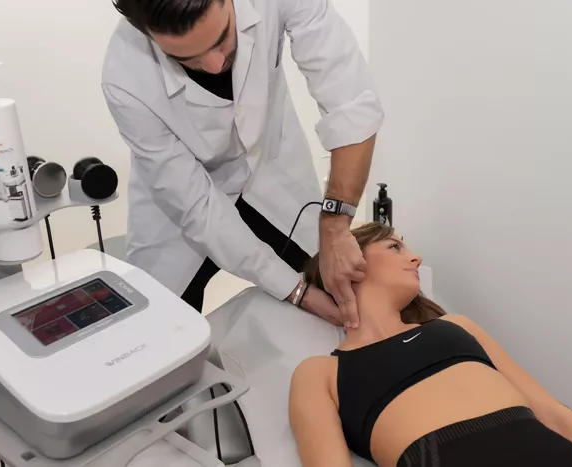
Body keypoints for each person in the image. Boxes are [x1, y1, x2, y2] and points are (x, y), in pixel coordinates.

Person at [102, 0, 382, 326]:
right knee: (162, 331)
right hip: (179, 213)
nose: (215, 64)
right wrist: (295, 291)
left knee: (332, 287)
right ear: (147, 35)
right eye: (186, 59)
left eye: (222, 37)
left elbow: (351, 105)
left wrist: (335, 226)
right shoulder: (124, 76)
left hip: (268, 173)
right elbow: (198, 208)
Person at [289, 222, 572, 467]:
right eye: (394, 247)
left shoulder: (455, 326)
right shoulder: (321, 373)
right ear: (348, 264)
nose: (416, 258)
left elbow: (554, 414)